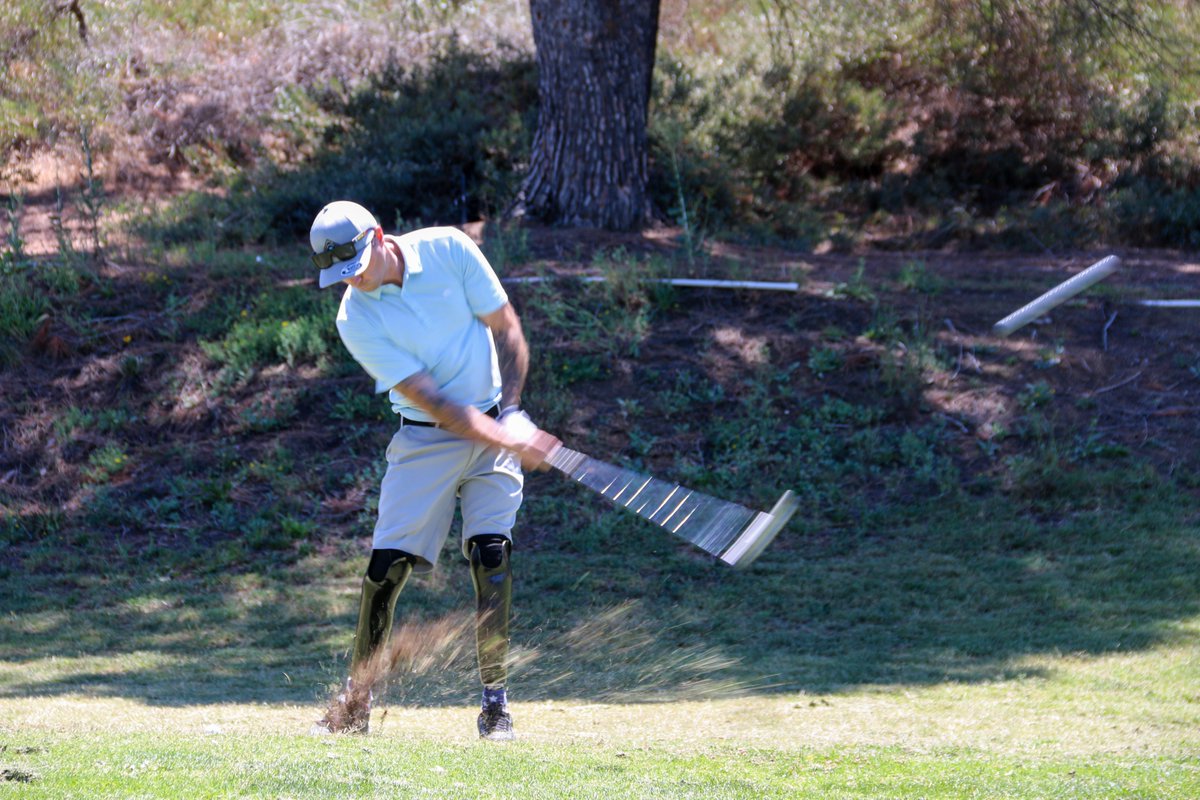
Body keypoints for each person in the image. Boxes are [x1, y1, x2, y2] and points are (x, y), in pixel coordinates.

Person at [307, 200, 560, 740]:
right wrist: (512, 439)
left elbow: (507, 328)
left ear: (379, 235)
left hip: (494, 419)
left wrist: (513, 414)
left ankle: (495, 706)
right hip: (426, 438)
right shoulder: (355, 317)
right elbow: (439, 404)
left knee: (492, 556)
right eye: (342, 276)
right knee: (385, 571)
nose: (355, 282)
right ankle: (356, 704)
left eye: (357, 266)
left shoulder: (448, 248)